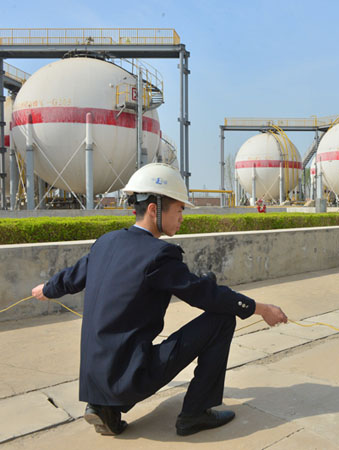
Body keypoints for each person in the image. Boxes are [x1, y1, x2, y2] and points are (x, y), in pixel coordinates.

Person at [31, 163, 288, 437]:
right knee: (223, 317)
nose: (181, 218)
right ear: (154, 209)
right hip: (130, 377)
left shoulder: (106, 242)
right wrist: (261, 309)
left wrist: (46, 289)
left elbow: (71, 277)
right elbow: (207, 296)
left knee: (124, 341)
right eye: (179, 210)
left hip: (95, 379)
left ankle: (104, 407)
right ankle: (195, 414)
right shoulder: (160, 255)